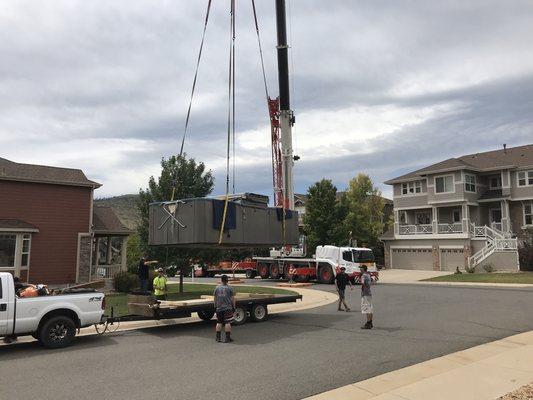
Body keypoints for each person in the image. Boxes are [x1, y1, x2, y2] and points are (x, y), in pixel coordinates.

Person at [213, 275, 236, 343]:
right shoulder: (230, 288)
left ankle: (218, 337)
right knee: (227, 322)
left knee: (219, 322)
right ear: (227, 280)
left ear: (221, 280)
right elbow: (233, 299)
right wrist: (234, 307)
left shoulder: (217, 288)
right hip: (227, 308)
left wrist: (215, 306)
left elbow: (215, 298)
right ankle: (227, 338)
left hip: (219, 308)